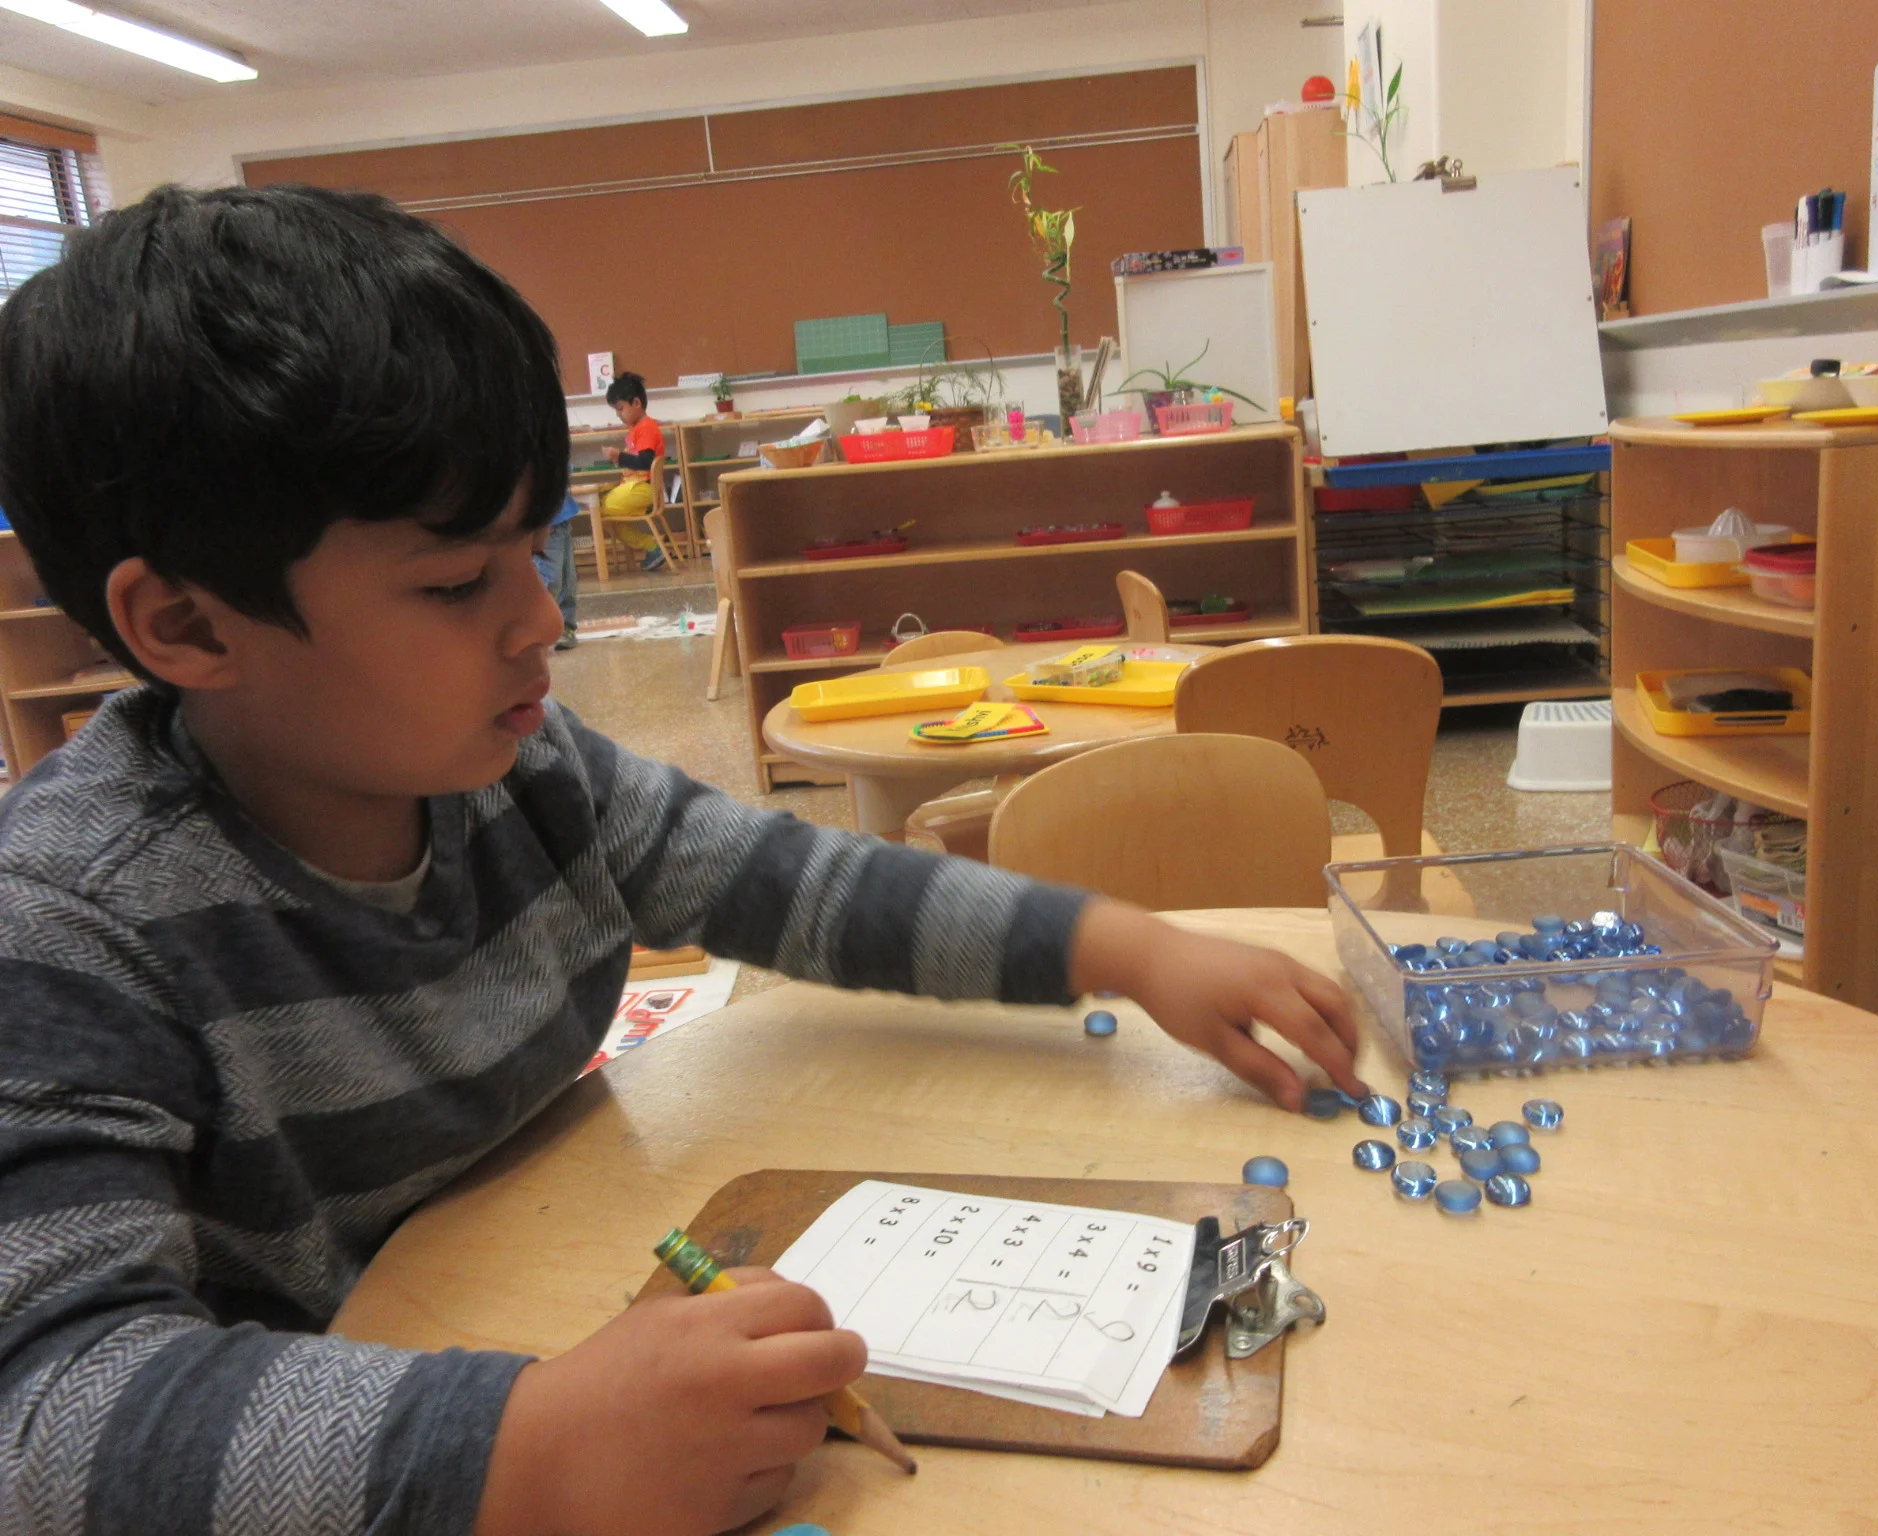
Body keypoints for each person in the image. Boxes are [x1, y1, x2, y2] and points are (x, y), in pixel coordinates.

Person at [0, 184, 1363, 1536]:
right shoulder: (69, 925)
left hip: (547, 1318)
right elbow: (42, 1414)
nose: (542, 621)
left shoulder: (526, 778)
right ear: (185, 624)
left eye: (531, 550)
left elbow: (807, 887)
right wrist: (521, 1451)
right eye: (455, 582)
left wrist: (1124, 948)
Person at [599, 371, 670, 572]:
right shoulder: (637, 428)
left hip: (643, 488)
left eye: (620, 409)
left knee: (602, 509)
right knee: (601, 512)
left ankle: (652, 545)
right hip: (637, 486)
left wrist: (619, 457)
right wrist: (622, 460)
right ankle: (651, 545)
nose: (618, 415)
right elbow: (637, 461)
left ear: (636, 403)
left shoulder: (645, 428)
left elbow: (646, 462)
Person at [535, 490, 580, 648]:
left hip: (560, 519)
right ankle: (536, 629)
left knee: (568, 580)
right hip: (544, 521)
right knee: (550, 580)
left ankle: (566, 627)